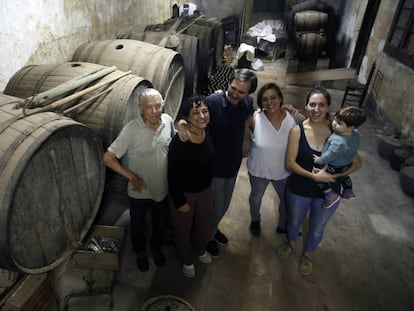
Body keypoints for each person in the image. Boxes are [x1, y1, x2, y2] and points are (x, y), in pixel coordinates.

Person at [276, 85, 362, 276]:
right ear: (306, 106)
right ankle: (290, 243)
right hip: (299, 188)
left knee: (317, 228)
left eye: (321, 105)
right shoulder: (297, 131)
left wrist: (335, 175)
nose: (316, 109)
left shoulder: (340, 132)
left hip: (330, 193)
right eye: (312, 104)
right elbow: (290, 163)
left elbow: (357, 163)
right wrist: (315, 176)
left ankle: (307, 254)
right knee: (294, 222)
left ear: (329, 107)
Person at [178, 68, 257, 257]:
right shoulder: (213, 101)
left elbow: (249, 117)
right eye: (233, 88)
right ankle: (205, 240)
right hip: (213, 167)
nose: (235, 94)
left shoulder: (247, 103)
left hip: (233, 164)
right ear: (228, 83)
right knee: (214, 208)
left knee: (224, 206)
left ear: (249, 93)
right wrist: (181, 124)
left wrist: (247, 139)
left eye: (241, 92)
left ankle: (211, 231)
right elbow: (186, 110)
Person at [102, 88, 175, 272]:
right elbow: (107, 158)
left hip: (162, 188)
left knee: (160, 223)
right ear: (140, 109)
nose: (154, 111)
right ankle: (140, 252)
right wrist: (131, 176)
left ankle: (156, 248)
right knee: (138, 225)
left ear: (163, 105)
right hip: (139, 191)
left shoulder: (168, 121)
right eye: (148, 107)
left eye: (158, 105)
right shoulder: (131, 130)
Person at [168, 95, 215, 278]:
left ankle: (201, 249)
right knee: (182, 230)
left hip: (204, 190)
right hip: (184, 193)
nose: (202, 116)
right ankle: (186, 260)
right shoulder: (180, 142)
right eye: (196, 113)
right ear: (187, 117)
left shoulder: (207, 131)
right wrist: (180, 201)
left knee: (204, 225)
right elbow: (172, 175)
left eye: (204, 111)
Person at [246, 82, 298, 237]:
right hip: (258, 170)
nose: (269, 102)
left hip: (284, 170)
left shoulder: (294, 118)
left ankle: (283, 225)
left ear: (281, 98)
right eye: (265, 99)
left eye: (273, 98)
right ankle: (255, 220)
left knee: (285, 200)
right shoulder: (255, 119)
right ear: (260, 103)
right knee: (256, 198)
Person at [313, 106, 367, 208]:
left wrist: (319, 160)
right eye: (335, 119)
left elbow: (330, 155)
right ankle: (348, 190)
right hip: (347, 163)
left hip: (335, 165)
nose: (334, 123)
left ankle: (329, 194)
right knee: (344, 176)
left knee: (319, 177)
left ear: (351, 127)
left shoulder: (338, 141)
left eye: (339, 123)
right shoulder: (355, 134)